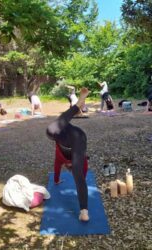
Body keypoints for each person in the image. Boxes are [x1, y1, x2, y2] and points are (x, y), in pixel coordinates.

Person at [46, 87, 90, 222]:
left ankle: (84, 211)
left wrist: (82, 97)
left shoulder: (57, 125)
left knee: (78, 175)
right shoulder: (53, 135)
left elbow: (73, 109)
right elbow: (57, 165)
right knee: (77, 170)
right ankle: (84, 211)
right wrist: (56, 180)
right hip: (65, 139)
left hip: (78, 137)